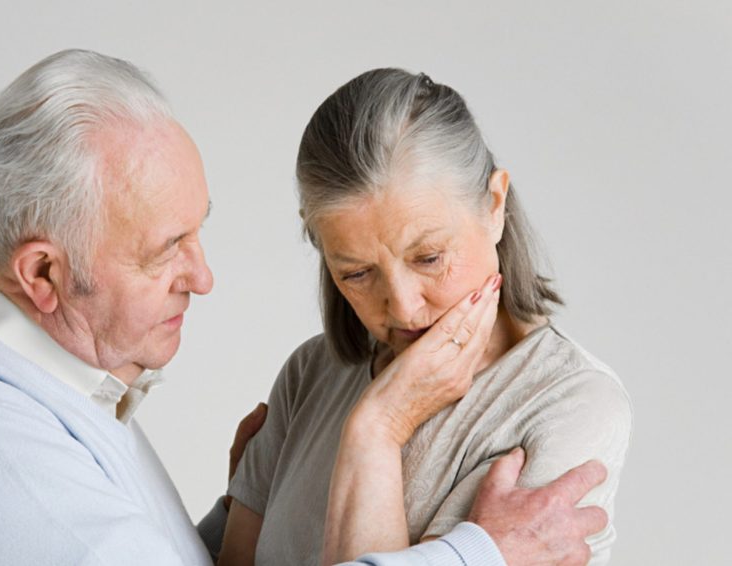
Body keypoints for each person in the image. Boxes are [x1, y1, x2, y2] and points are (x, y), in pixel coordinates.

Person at [0, 50, 611, 565]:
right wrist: (480, 552)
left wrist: (240, 509)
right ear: (43, 275)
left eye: (199, 232)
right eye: (166, 248)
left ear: (495, 205)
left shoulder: (53, 401)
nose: (203, 278)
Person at [221, 68, 632, 566]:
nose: (403, 307)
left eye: (430, 258)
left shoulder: (570, 402)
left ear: (494, 206)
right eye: (356, 273)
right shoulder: (309, 375)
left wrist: (378, 428)